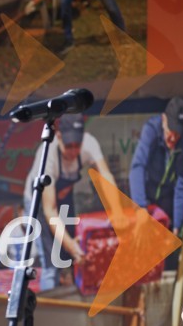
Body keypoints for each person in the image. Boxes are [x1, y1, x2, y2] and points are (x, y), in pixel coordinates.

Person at [23, 113, 120, 290]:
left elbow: (106, 176)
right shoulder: (48, 156)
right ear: (59, 137)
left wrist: (118, 214)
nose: (74, 151)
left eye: (77, 145)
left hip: (63, 197)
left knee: (70, 256)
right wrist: (71, 247)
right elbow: (50, 211)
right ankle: (50, 303)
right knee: (51, 262)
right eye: (69, 146)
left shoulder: (89, 143)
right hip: (40, 202)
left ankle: (75, 295)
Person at [129, 97, 183, 236]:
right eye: (171, 131)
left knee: (167, 246)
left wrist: (177, 225)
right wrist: (140, 207)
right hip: (146, 194)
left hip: (167, 200)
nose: (173, 138)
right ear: (164, 119)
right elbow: (138, 166)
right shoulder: (151, 129)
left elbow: (182, 185)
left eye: (178, 133)